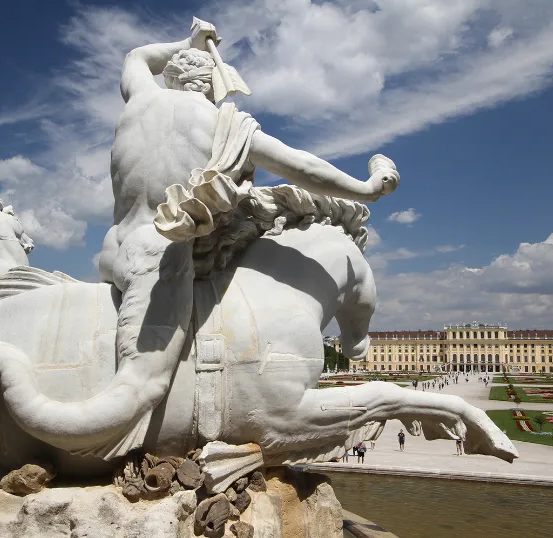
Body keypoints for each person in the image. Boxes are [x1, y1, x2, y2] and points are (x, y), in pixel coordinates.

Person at [96, 18, 399, 451]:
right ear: (209, 84)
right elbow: (304, 168)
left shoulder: (140, 100)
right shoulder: (225, 124)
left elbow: (137, 57)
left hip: (115, 252)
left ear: (173, 76)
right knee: (260, 214)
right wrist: (366, 190)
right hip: (168, 258)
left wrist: (188, 40)